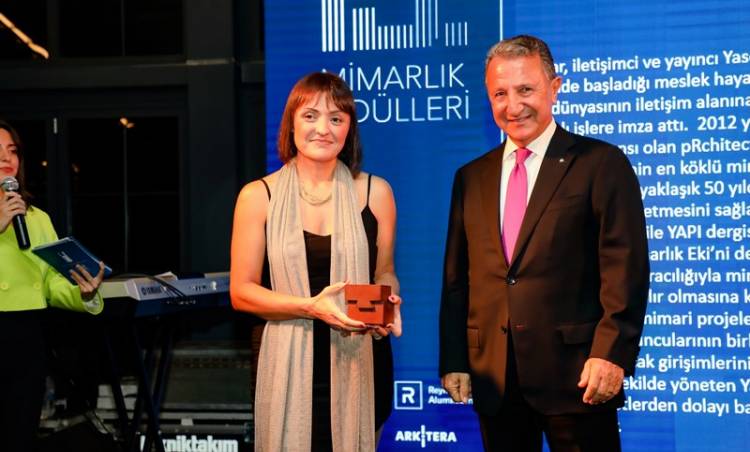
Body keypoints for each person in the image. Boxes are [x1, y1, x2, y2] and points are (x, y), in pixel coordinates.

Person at [439, 35, 649, 451]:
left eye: (525, 89)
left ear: (554, 88)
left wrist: (611, 353)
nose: (512, 106)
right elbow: (457, 279)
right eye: (500, 93)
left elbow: (625, 269)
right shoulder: (471, 177)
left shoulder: (600, 164)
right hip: (495, 379)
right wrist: (455, 359)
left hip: (578, 378)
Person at [230, 71, 402, 451]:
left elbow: (384, 271)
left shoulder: (377, 192)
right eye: (310, 116)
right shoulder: (257, 197)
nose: (323, 129)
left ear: (349, 129)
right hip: (285, 364)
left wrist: (387, 305)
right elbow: (241, 292)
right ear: (291, 123)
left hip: (361, 364)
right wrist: (311, 307)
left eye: (336, 118)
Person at [0, 119, 107, 452]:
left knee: (20, 436)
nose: (6, 158)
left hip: (25, 337)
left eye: (12, 150)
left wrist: (83, 291)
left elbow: (49, 282)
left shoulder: (36, 217)